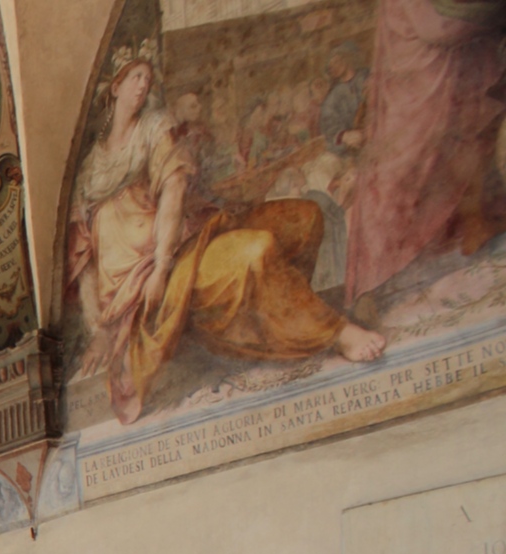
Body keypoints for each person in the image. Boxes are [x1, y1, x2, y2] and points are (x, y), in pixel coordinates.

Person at [68, 44, 383, 426]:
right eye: (135, 77)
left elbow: (174, 191)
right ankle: (334, 332)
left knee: (305, 216)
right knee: (257, 249)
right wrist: (99, 329)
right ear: (115, 86)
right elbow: (82, 259)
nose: (141, 86)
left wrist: (163, 262)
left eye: (147, 79)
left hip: (180, 249)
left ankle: (279, 312)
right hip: (146, 286)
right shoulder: (88, 169)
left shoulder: (153, 128)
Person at [344, 0, 506, 305]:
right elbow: (437, 28)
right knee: (405, 176)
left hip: (449, 84)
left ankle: (462, 242)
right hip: (418, 94)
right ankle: (376, 283)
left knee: (459, 165)